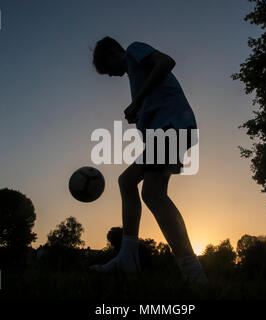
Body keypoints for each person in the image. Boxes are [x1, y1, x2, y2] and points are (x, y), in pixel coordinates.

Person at [89, 37, 207, 284]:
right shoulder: (135, 74)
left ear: (113, 51)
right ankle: (128, 257)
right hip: (169, 130)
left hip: (173, 126)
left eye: (108, 69)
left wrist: (137, 102)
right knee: (127, 182)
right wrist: (140, 113)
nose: (111, 76)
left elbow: (166, 62)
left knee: (153, 194)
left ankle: (192, 272)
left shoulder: (134, 50)